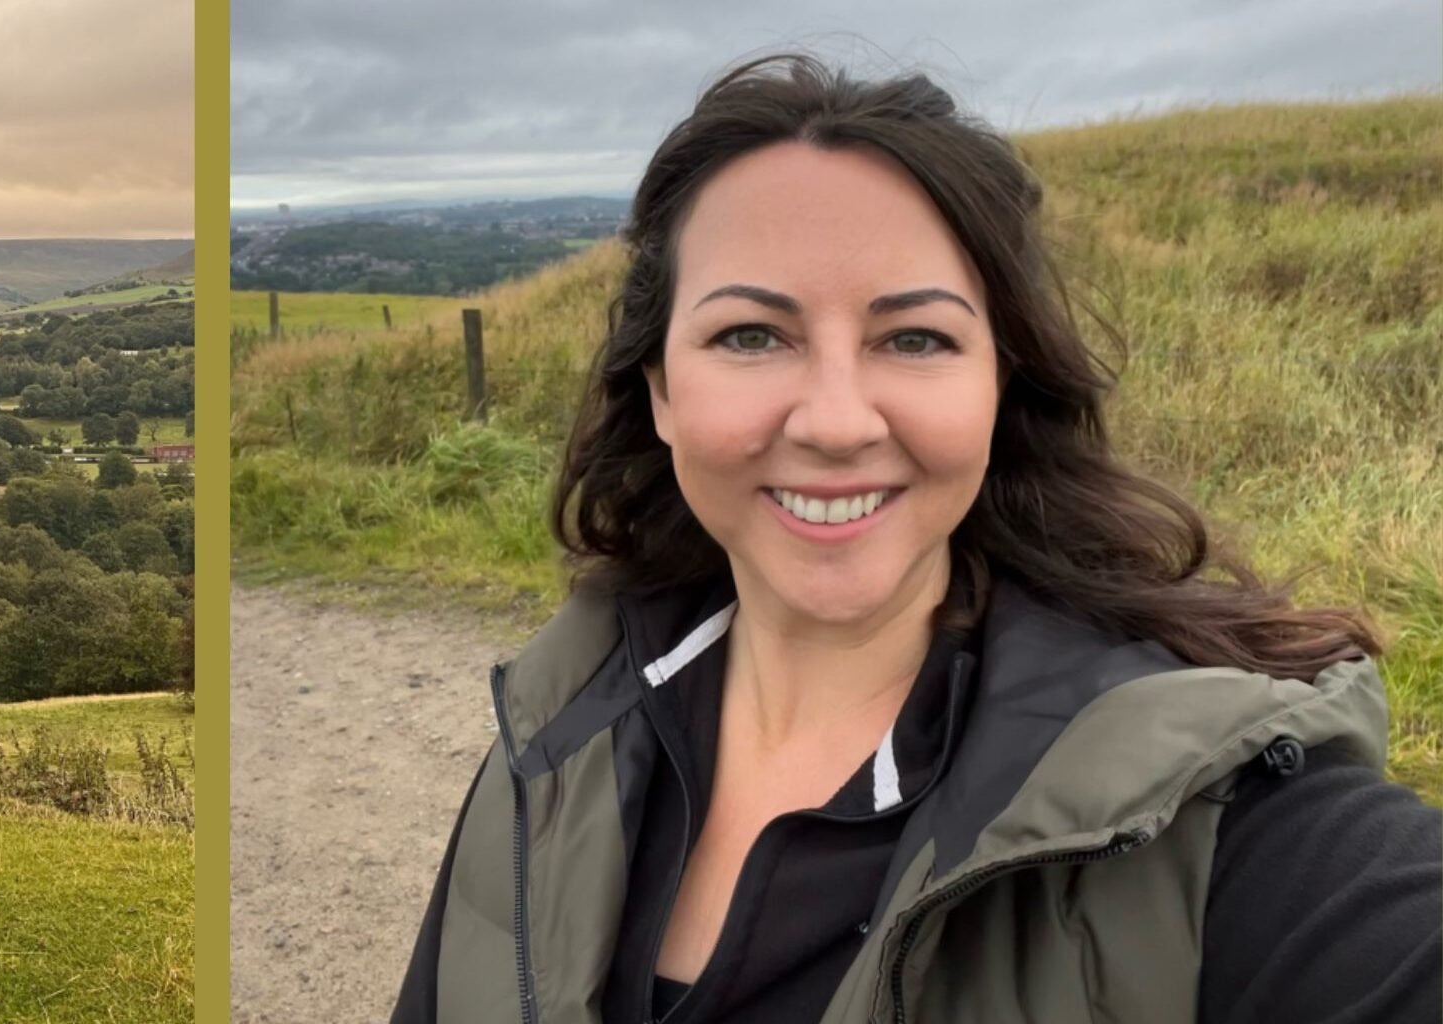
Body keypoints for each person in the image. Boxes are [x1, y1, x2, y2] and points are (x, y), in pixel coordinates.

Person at [392, 54, 1441, 1023]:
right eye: (751, 335)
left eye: (915, 337)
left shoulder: (1204, 823)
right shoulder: (554, 729)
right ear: (662, 387)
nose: (837, 420)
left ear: (1000, 383)